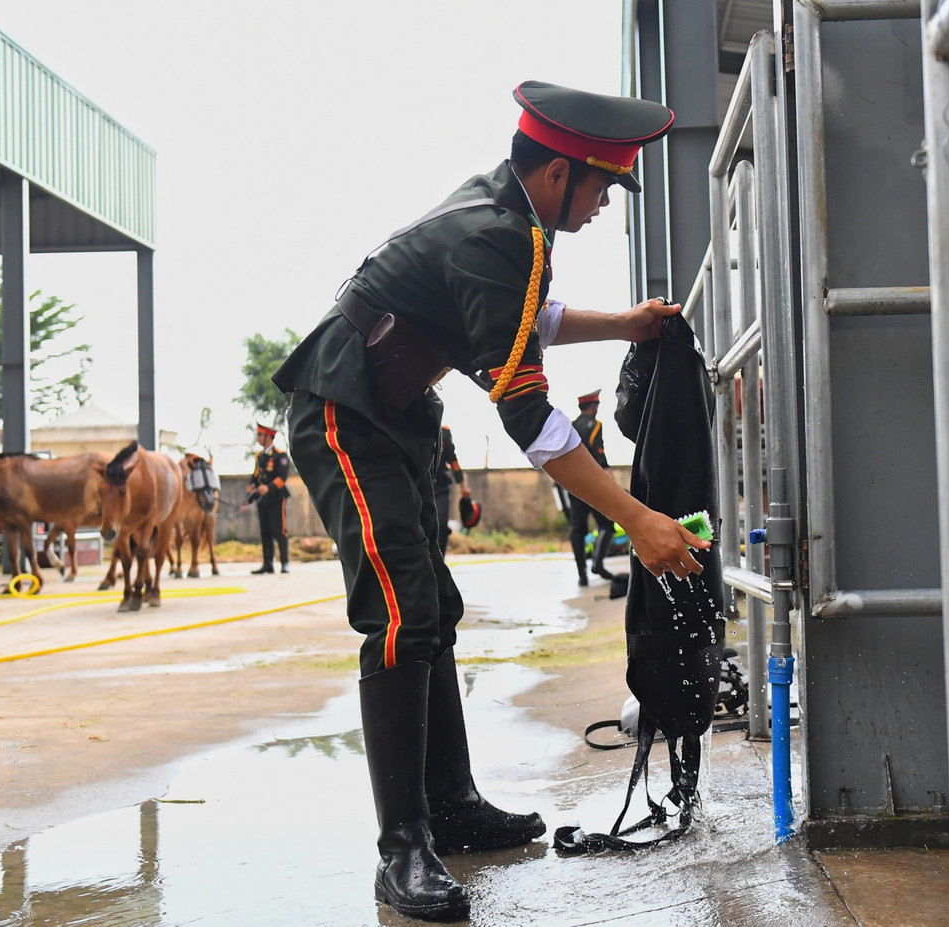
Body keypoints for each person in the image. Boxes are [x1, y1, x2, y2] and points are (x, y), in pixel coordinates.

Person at [271, 80, 710, 922]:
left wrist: (625, 324)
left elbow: (525, 321)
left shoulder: (512, 223)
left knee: (432, 603)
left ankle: (451, 804)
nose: (602, 207)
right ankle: (401, 848)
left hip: (397, 414)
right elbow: (528, 416)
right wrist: (634, 515)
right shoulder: (494, 234)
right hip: (344, 412)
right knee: (399, 612)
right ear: (555, 174)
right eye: (601, 188)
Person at [568, 389, 618, 585]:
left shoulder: (571, 426)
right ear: (593, 407)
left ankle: (582, 575)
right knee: (606, 525)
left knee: (577, 530)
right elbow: (599, 455)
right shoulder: (595, 425)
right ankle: (597, 563)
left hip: (572, 486)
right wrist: (610, 481)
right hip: (592, 486)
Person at [249, 423, 291, 575]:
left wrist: (268, 487)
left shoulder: (280, 455)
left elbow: (283, 477)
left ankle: (285, 563)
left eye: (260, 435)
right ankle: (268, 564)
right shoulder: (259, 456)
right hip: (262, 500)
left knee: (280, 531)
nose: (258, 437)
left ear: (268, 437)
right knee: (265, 532)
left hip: (277, 498)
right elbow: (255, 475)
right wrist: (251, 491)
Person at [432, 425, 471, 556]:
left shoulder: (443, 432)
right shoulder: (412, 426)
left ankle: (440, 560)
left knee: (442, 524)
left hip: (440, 486)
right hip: (420, 486)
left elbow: (453, 460)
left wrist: (463, 486)